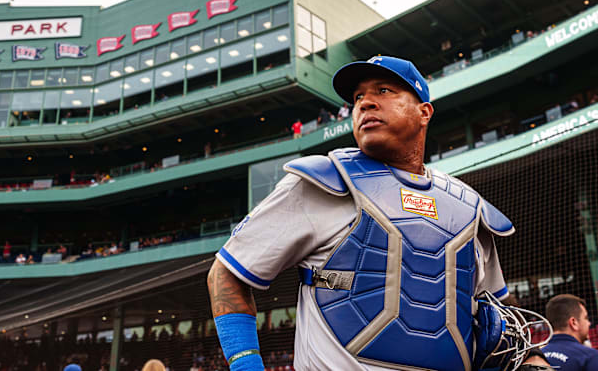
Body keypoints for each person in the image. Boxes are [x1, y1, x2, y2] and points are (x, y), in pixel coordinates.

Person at [207, 56, 525, 370]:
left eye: (384, 91)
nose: (365, 103)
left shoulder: (468, 207)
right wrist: (245, 366)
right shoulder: (323, 181)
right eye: (359, 97)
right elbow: (226, 273)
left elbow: (499, 309)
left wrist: (532, 358)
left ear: (424, 112)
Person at [542, 294, 598, 370]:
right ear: (574, 322)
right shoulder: (590, 357)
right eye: (585, 318)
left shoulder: (534, 358)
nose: (589, 323)